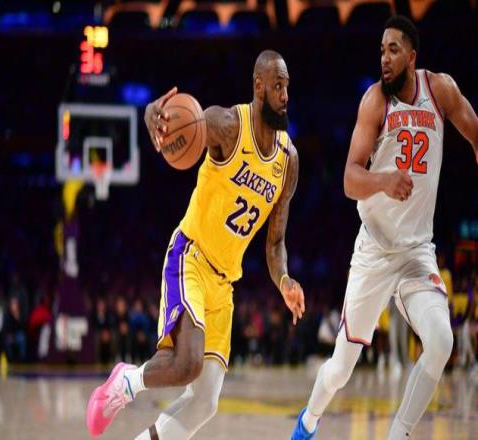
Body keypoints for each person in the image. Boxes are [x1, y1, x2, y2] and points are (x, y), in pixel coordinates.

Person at [86, 49, 305, 439]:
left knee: (205, 402)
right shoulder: (229, 126)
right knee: (186, 363)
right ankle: (125, 383)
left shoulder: (288, 161)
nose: (285, 94)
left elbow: (275, 244)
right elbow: (181, 120)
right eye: (277, 86)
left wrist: (285, 280)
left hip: (225, 282)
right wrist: (153, 112)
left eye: (287, 86)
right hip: (192, 256)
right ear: (258, 87)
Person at [292, 15, 477, 440]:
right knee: (341, 368)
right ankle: (308, 422)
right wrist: (384, 181)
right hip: (374, 250)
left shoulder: (440, 90)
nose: (384, 59)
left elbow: (475, 133)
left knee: (442, 341)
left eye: (393, 50)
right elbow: (349, 179)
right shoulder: (375, 101)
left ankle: (398, 435)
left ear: (412, 56)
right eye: (381, 51)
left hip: (416, 253)